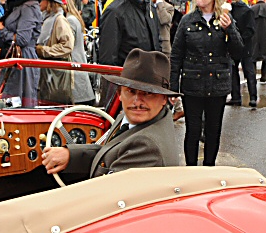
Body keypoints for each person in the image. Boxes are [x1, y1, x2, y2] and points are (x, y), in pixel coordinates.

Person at [42, 49, 180, 178]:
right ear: (119, 94)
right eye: (131, 91)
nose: (137, 102)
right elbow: (110, 154)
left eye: (148, 93)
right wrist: (70, 155)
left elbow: (107, 194)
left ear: (163, 99)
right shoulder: (135, 119)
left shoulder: (147, 146)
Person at [170, 0, 244, 166]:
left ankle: (209, 169)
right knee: (193, 131)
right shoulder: (187, 21)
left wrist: (231, 31)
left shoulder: (225, 20)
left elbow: (237, 53)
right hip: (192, 85)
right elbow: (176, 55)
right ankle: (191, 170)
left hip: (217, 85)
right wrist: (172, 87)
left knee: (213, 130)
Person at [98, 0, 160, 106]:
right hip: (125, 91)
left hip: (148, 87)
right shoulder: (115, 11)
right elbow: (107, 62)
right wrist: (116, 98)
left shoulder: (150, 7)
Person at [36, 0, 94, 105]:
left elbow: (67, 46)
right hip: (67, 72)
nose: (39, 2)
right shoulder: (51, 19)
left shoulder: (64, 20)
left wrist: (43, 50)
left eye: (41, 0)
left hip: (70, 73)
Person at [226, 0, 257, 108]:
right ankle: (235, 97)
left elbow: (251, 29)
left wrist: (241, 40)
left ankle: (253, 97)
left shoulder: (246, 10)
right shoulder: (229, 10)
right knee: (233, 72)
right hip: (234, 47)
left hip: (245, 46)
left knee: (249, 72)